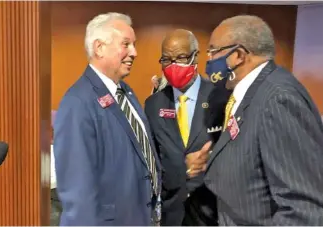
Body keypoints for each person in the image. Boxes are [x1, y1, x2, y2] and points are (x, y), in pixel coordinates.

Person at [204, 15, 323, 225]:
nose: (209, 59)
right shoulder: (252, 92)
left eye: (214, 51)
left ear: (239, 55)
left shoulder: (278, 99)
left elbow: (302, 207)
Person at [53, 13, 161, 226]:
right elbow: (78, 192)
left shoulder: (125, 92)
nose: (135, 52)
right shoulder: (77, 102)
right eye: (126, 44)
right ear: (99, 48)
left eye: (134, 44)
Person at [145, 29, 230, 226]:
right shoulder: (153, 105)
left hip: (212, 210)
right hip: (171, 212)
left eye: (181, 57)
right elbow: (152, 159)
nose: (174, 65)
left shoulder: (222, 98)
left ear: (195, 57)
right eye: (167, 59)